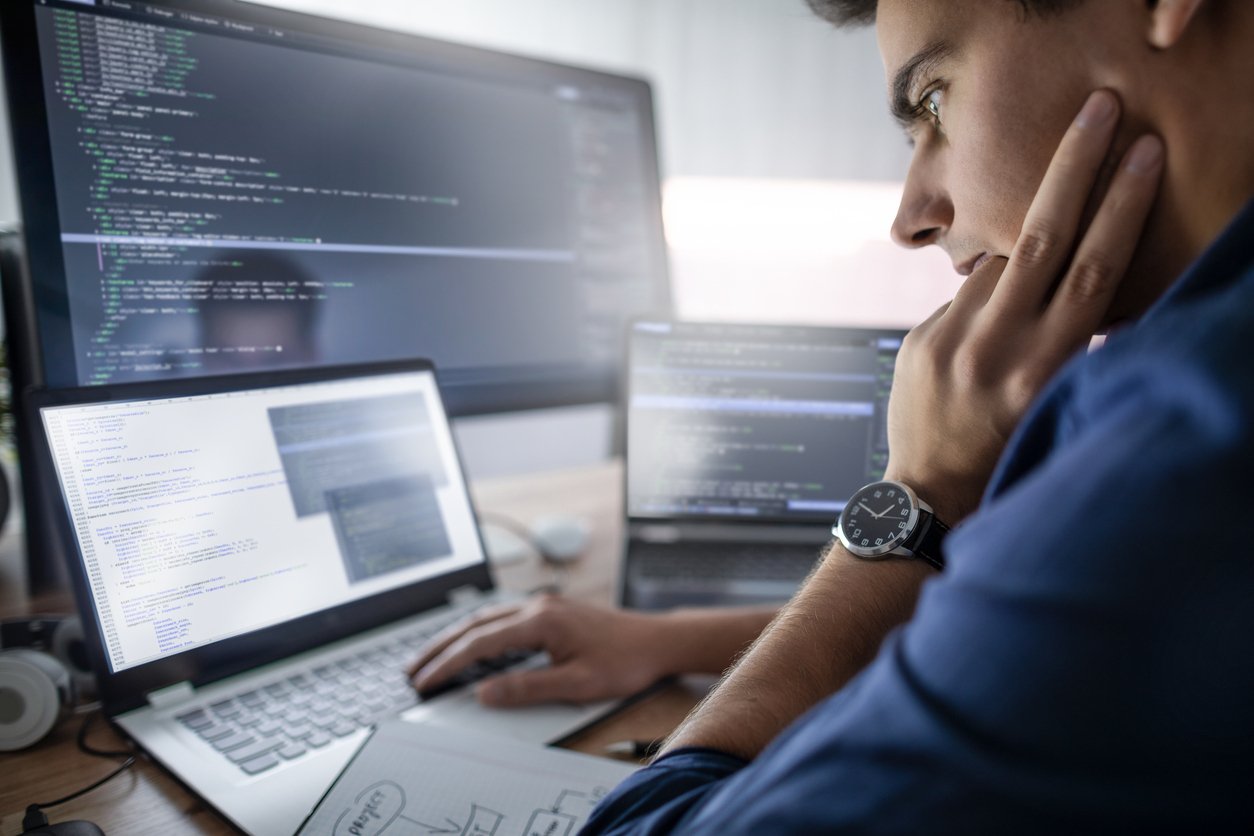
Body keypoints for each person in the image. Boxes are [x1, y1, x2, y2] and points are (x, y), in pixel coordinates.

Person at [412, 0, 1254, 829]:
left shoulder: (1179, 445)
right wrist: (668, 639)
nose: (912, 216)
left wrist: (922, 488)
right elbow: (995, 622)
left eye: (932, 99)